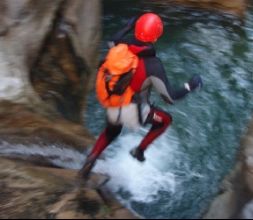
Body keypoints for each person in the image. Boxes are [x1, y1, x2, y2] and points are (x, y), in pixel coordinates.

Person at [79, 13, 203, 178]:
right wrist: (190, 86)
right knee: (165, 120)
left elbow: (112, 40)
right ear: (156, 37)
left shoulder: (120, 46)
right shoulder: (153, 65)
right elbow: (169, 97)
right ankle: (139, 150)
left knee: (111, 133)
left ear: (136, 28)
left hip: (112, 105)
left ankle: (91, 158)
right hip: (133, 112)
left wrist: (126, 27)